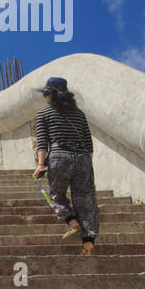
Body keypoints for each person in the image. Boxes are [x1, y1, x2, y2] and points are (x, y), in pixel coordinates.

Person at [32, 77, 99, 255]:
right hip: (83, 158)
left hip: (59, 157)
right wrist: (85, 165)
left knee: (57, 197)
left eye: (46, 93)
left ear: (50, 95)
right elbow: (89, 144)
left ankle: (73, 223)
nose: (45, 96)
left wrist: (40, 165)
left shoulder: (44, 115)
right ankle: (88, 242)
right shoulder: (79, 114)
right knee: (86, 200)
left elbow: (42, 143)